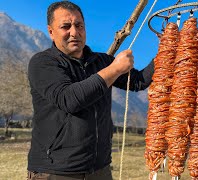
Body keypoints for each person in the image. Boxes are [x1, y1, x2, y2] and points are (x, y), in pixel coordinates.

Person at [27, 1, 154, 180]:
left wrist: (168, 50)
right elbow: (69, 99)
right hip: (55, 172)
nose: (74, 32)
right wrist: (115, 69)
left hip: (100, 169)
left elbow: (138, 82)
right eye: (66, 26)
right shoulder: (43, 63)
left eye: (79, 25)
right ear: (51, 31)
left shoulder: (101, 61)